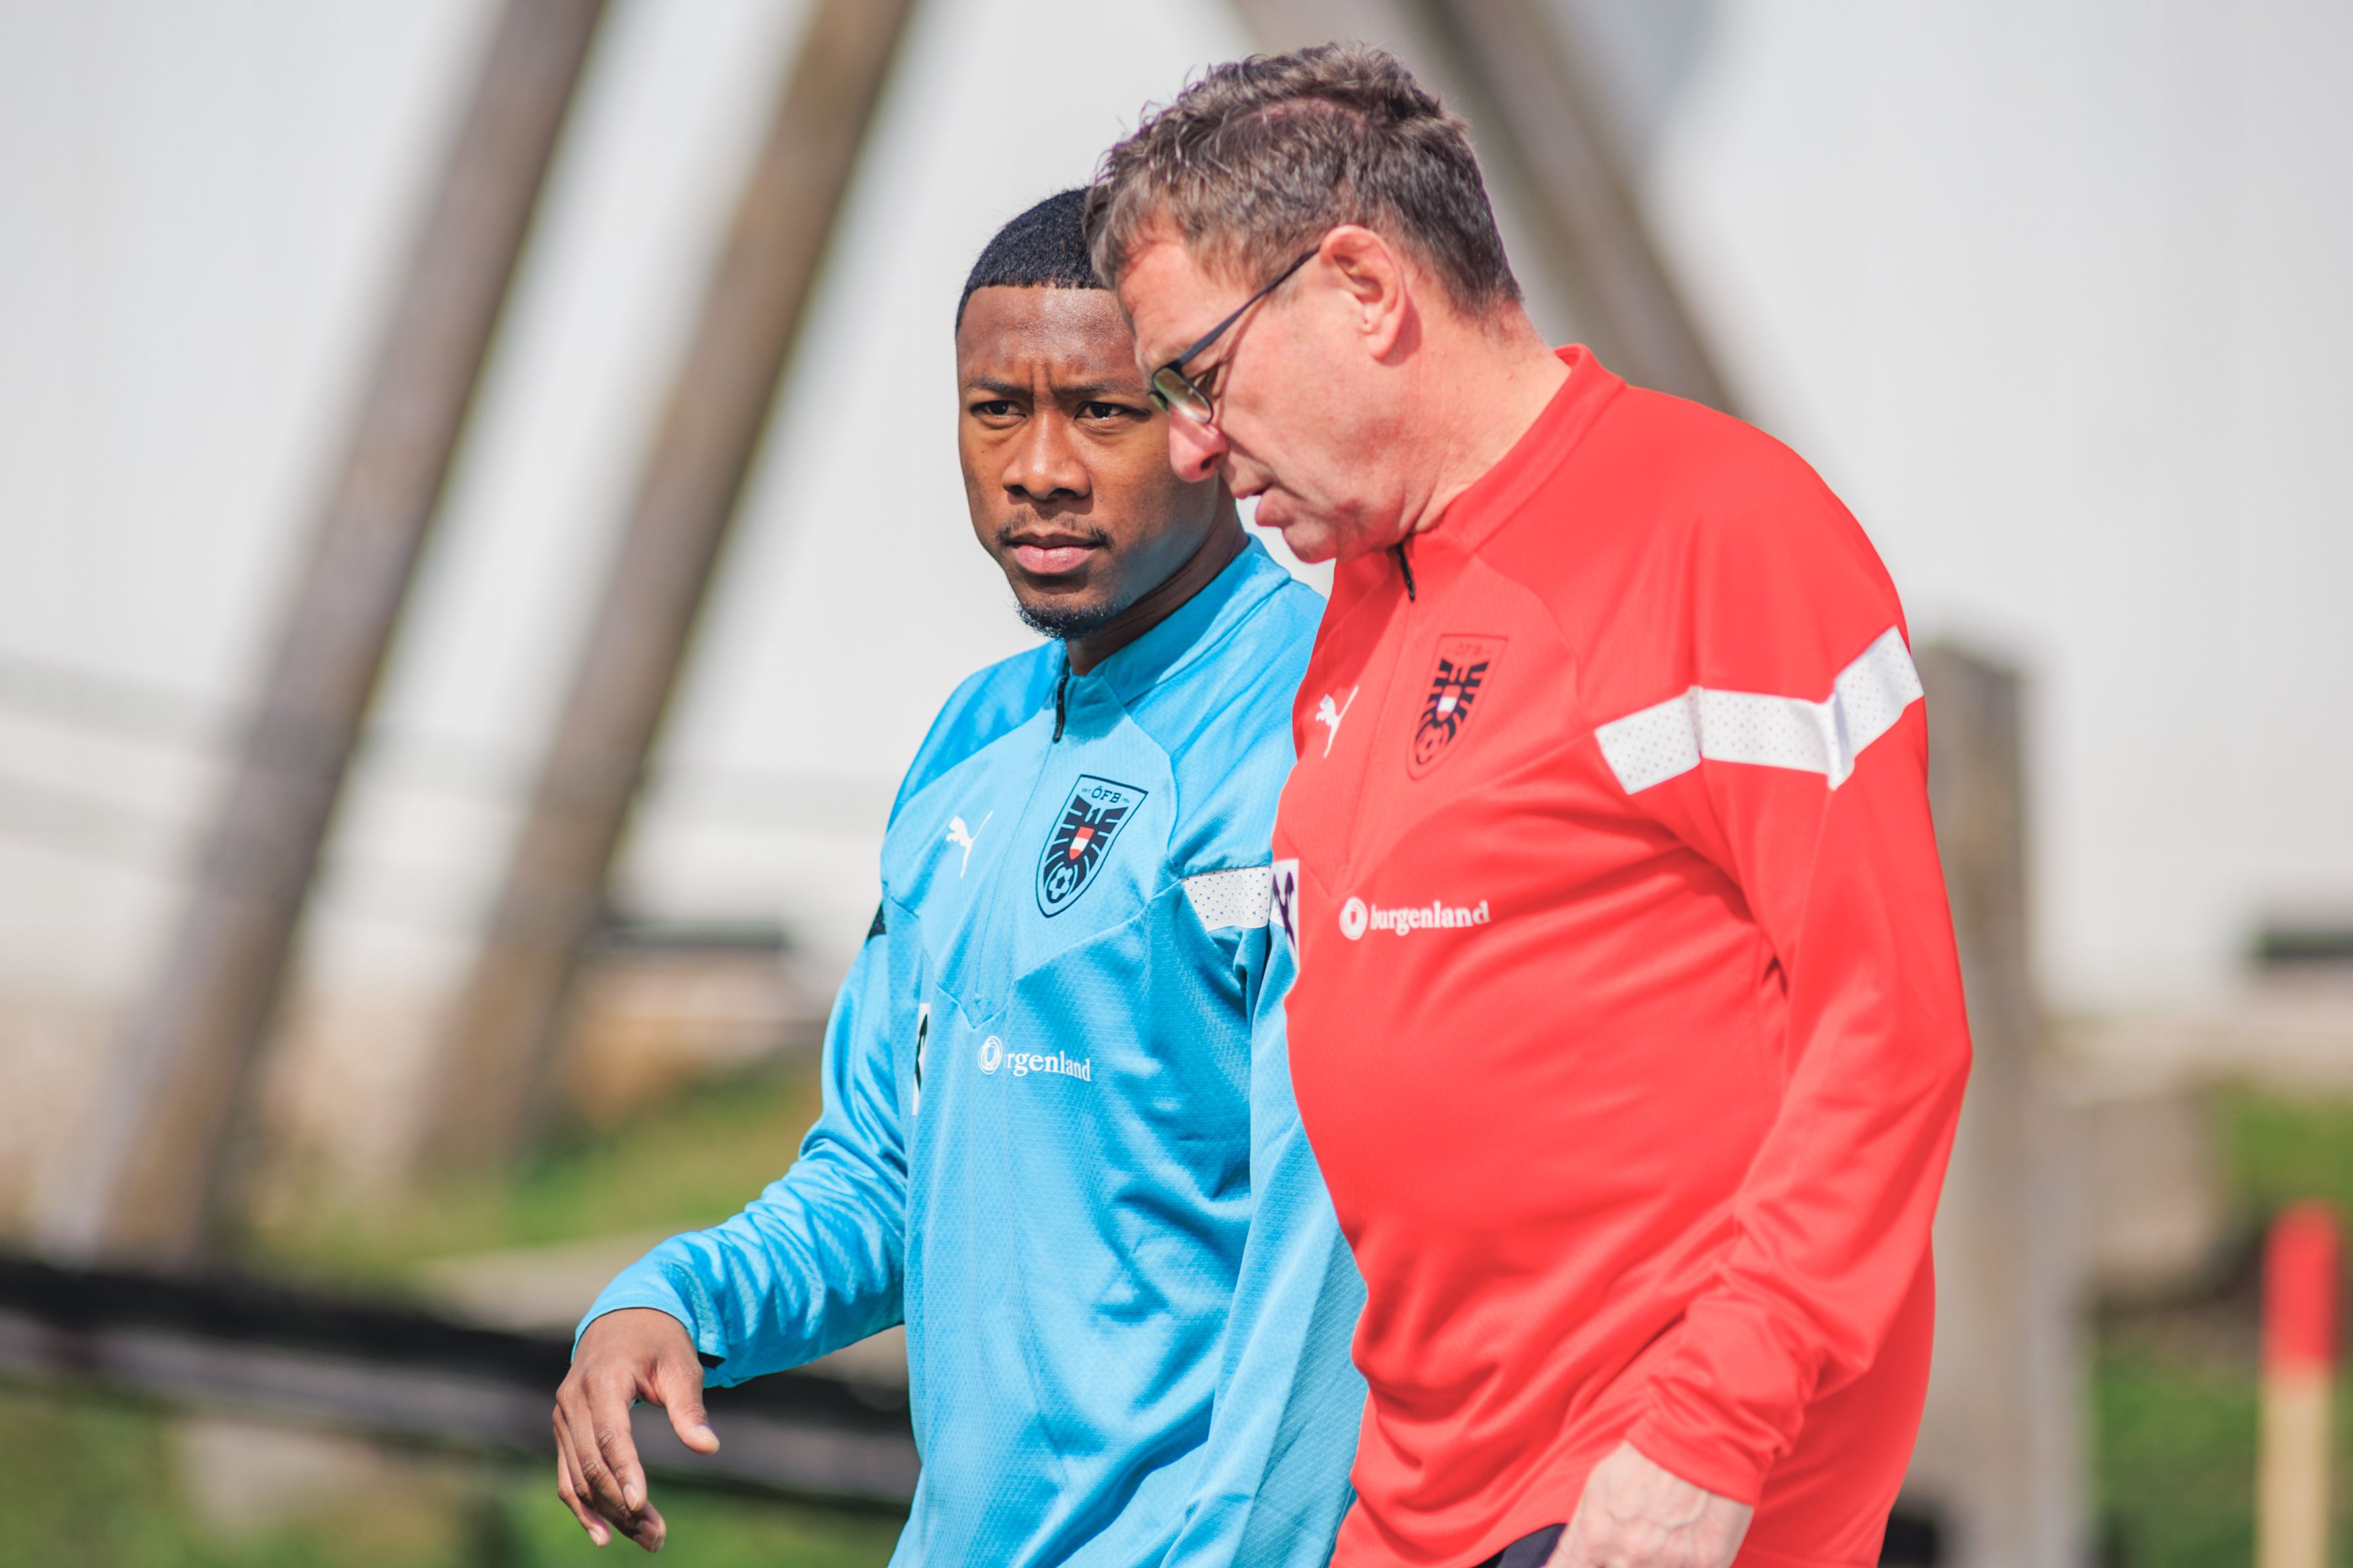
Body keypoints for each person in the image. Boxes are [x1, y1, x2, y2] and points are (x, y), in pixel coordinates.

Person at [1089, 46, 1974, 1568]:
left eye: (1200, 372)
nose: (1189, 442)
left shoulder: (1718, 528)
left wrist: (1710, 1429)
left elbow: (1887, 1030)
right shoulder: (1361, 600)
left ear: (1362, 289)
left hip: (1650, 1480)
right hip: (1424, 1486)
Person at [552, 190, 1365, 1565]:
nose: (1038, 466)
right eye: (996, 410)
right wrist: (672, 1300)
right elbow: (882, 1170)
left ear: (1209, 421)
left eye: (1100, 413)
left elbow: (1332, 1277)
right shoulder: (971, 741)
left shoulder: (1322, 742)